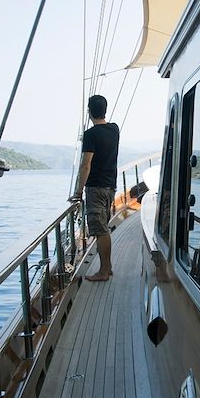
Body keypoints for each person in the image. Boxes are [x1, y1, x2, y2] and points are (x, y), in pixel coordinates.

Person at [70, 95, 119, 281]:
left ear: (89, 111)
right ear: (105, 109)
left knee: (100, 230)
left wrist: (78, 192)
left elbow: (86, 165)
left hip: (96, 188)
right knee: (103, 227)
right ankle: (108, 267)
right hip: (109, 187)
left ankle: (104, 271)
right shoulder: (114, 129)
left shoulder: (91, 135)